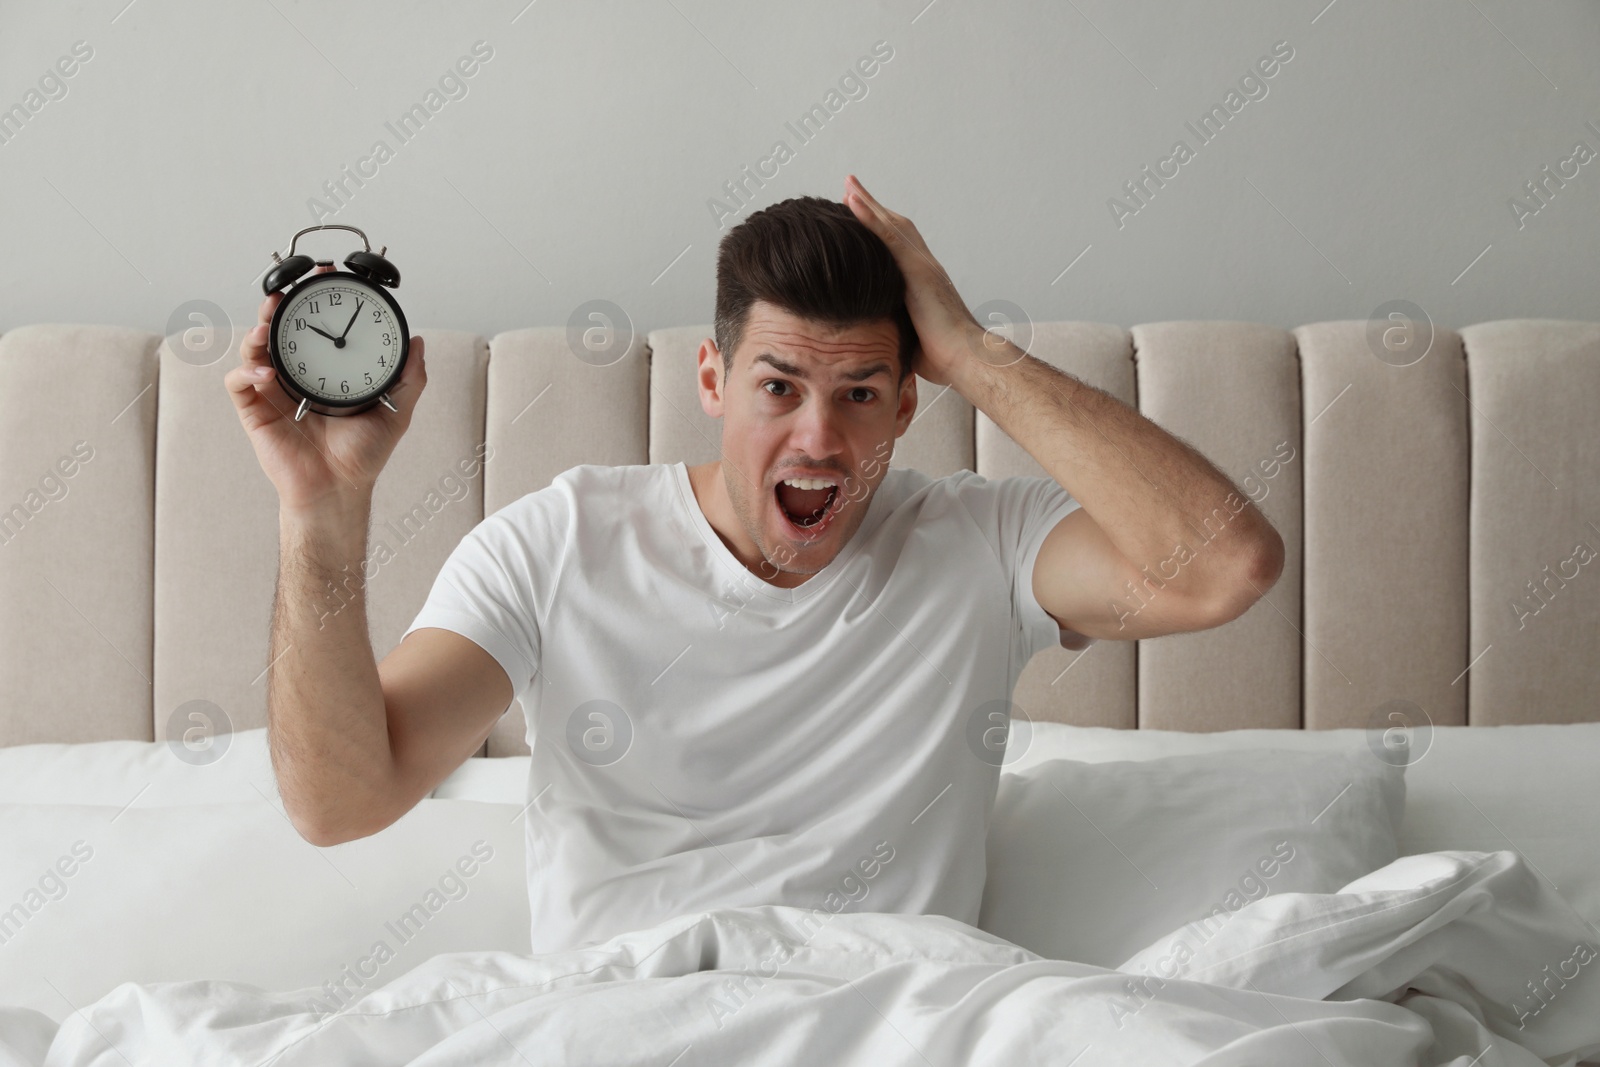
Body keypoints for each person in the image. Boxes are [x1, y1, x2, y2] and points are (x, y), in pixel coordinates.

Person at [227, 174, 1284, 955]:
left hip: (893, 1020)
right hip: (622, 1023)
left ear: (911, 403)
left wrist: (972, 350)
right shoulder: (557, 543)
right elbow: (339, 802)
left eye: (863, 392)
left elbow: (1222, 567)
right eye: (778, 387)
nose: (819, 438)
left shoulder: (983, 544)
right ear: (713, 377)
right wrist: (322, 508)